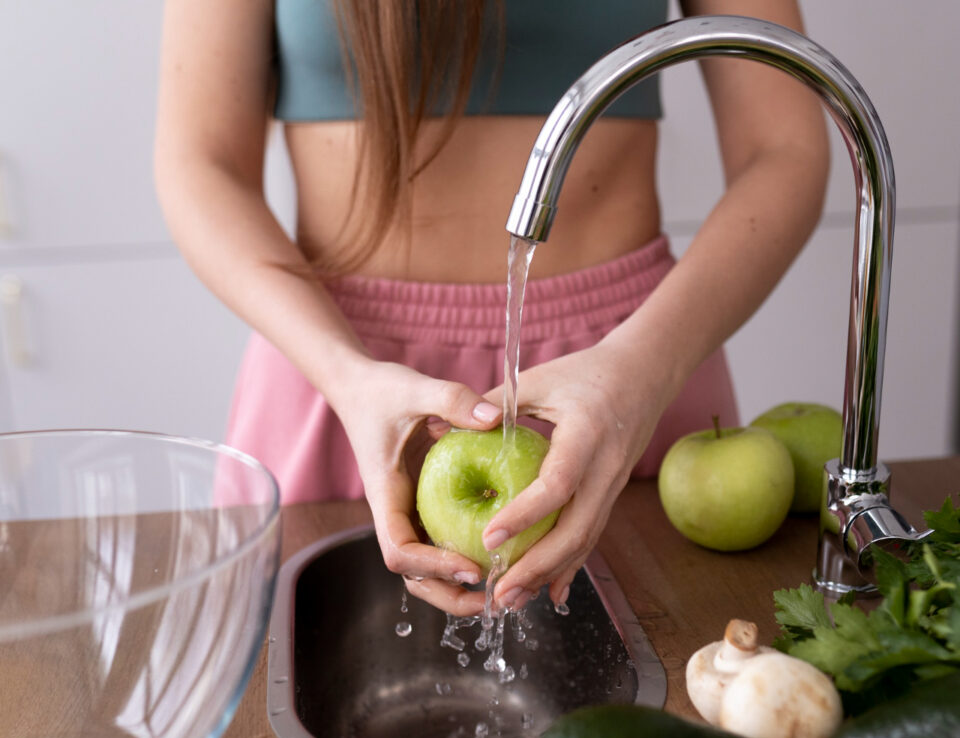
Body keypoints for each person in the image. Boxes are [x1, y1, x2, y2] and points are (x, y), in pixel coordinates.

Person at [154, 0, 829, 617]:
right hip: (337, 375)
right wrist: (346, 376)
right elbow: (201, 160)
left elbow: (785, 149)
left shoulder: (635, 372)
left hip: (626, 368)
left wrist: (644, 365)